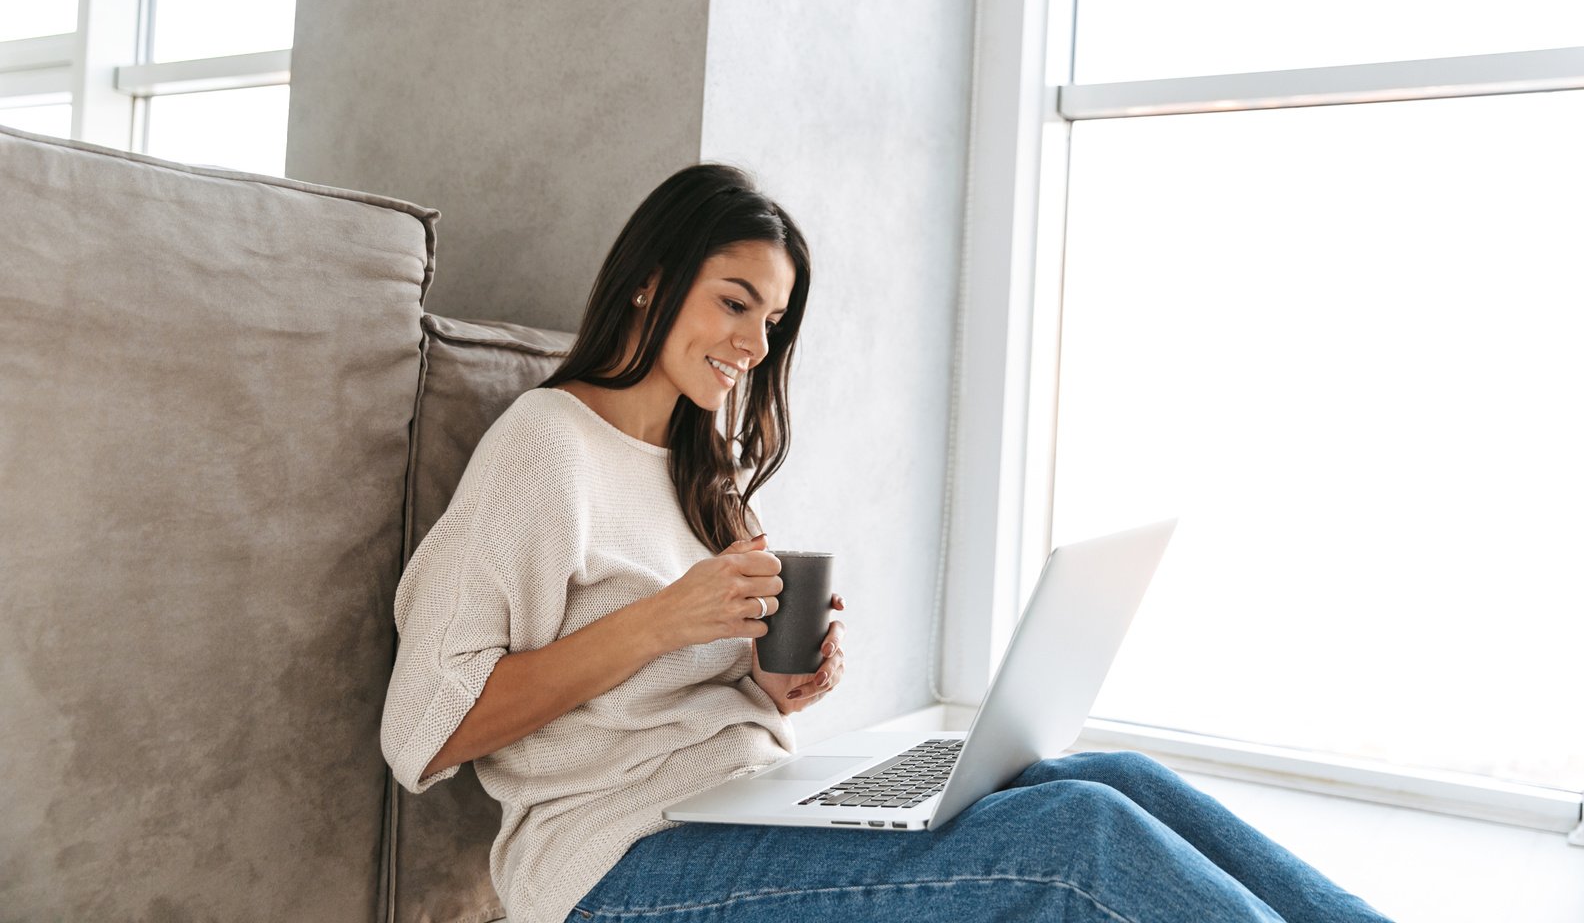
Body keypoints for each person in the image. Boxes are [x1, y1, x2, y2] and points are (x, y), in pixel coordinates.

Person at [381, 163, 1395, 923]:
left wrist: (772, 685)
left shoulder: (704, 469)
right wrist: (662, 623)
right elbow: (428, 729)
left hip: (751, 802)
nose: (754, 344)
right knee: (1078, 840)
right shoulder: (546, 447)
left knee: (1120, 780)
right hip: (616, 866)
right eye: (735, 302)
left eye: (772, 320)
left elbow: (691, 692)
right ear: (649, 281)